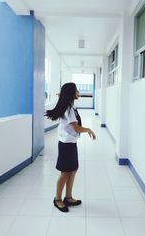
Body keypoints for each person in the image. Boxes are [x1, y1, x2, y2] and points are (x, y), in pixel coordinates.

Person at [45, 82, 96, 212]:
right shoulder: (68, 109)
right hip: (66, 144)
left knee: (73, 170)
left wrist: (61, 94)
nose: (78, 92)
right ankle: (57, 199)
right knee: (65, 172)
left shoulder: (69, 105)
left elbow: (63, 95)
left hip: (70, 142)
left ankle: (68, 197)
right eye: (76, 90)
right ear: (72, 93)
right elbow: (76, 127)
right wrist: (89, 129)